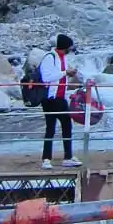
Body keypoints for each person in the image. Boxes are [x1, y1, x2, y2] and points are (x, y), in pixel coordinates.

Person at [38, 34, 82, 169]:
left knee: (64, 125)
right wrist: (65, 73)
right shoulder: (49, 58)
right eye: (69, 47)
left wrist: (70, 75)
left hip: (61, 97)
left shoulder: (63, 58)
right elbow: (46, 77)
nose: (70, 49)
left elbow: (61, 77)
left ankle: (55, 158)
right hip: (50, 98)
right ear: (64, 47)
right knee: (54, 127)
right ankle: (53, 158)